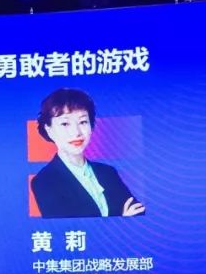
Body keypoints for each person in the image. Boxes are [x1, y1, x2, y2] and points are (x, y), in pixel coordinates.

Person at [30, 87, 144, 219]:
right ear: (49, 130)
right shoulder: (44, 181)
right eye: (65, 124)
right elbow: (69, 227)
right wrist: (122, 220)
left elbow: (138, 213)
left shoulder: (108, 172)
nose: (76, 132)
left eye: (83, 122)